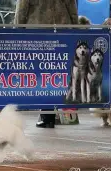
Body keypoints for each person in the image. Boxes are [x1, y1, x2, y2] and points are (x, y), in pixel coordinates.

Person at [14, 0, 78, 128]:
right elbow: (72, 8)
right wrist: (76, 29)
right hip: (62, 31)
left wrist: (17, 31)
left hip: (37, 33)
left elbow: (22, 10)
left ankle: (47, 115)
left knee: (42, 74)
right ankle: (50, 114)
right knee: (57, 73)